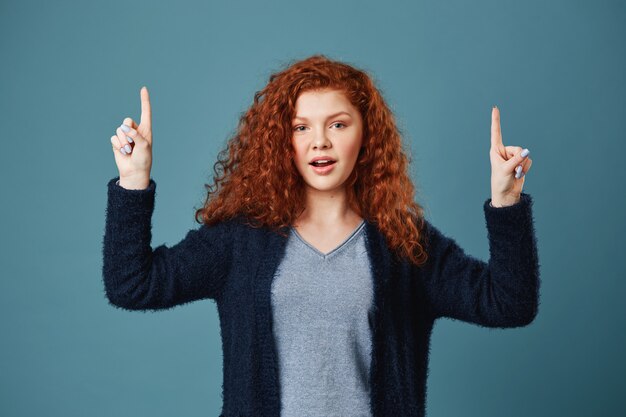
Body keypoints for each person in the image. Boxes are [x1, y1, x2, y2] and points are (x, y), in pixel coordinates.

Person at [103, 54, 539, 417]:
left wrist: (506, 203)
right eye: (301, 127)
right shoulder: (240, 241)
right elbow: (132, 285)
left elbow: (509, 303)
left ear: (365, 135)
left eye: (338, 124)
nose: (320, 143)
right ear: (282, 141)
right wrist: (134, 182)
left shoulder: (403, 242)